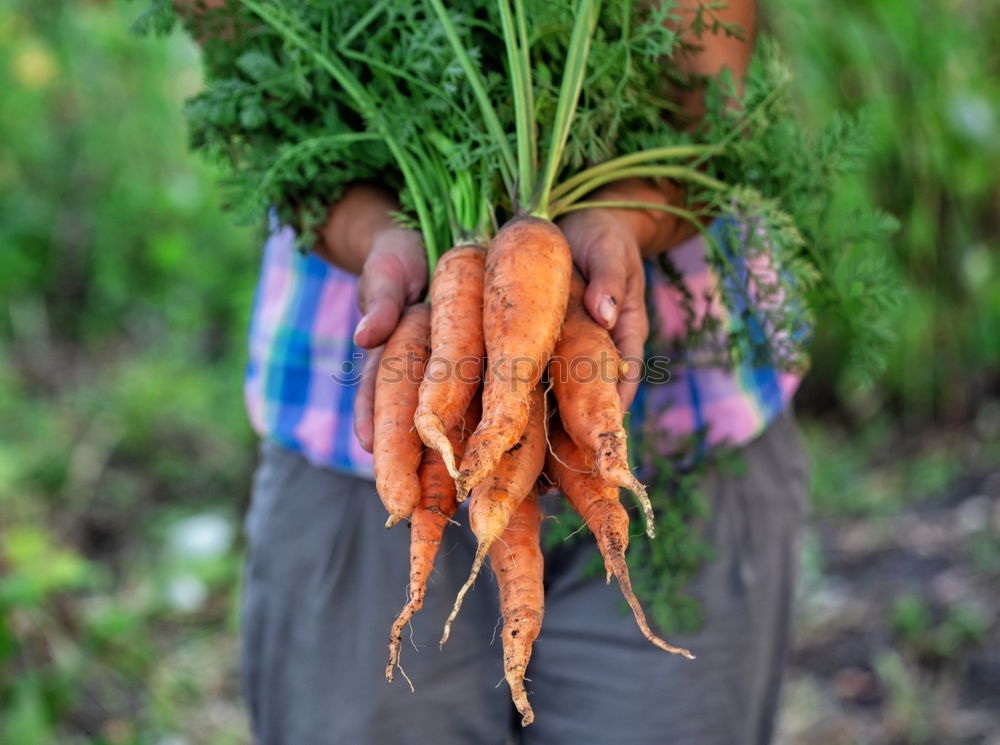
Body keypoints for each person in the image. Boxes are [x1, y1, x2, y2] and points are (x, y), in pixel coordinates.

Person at [211, 1, 810, 742]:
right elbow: (260, 98)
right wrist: (379, 238)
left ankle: (575, 493)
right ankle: (452, 467)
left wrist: (628, 218)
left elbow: (711, 105)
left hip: (692, 418)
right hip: (351, 454)